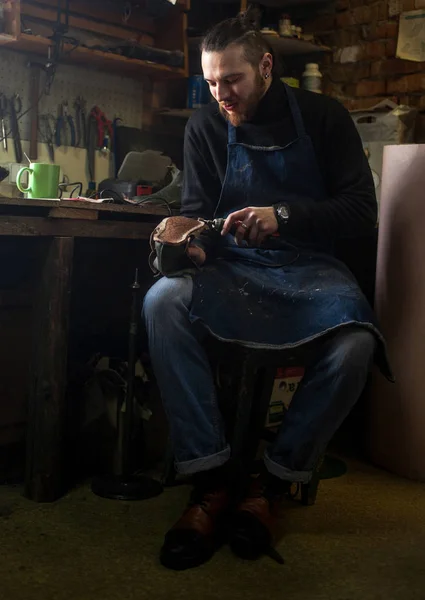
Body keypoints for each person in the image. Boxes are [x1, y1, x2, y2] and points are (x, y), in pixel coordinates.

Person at [143, 12, 389, 571]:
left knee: (356, 345)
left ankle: (271, 484)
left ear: (266, 66)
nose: (221, 93)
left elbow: (360, 211)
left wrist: (283, 216)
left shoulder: (326, 118)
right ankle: (210, 479)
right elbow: (198, 213)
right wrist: (192, 241)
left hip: (310, 266)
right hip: (233, 267)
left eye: (232, 80)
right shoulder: (205, 127)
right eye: (211, 82)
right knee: (161, 302)